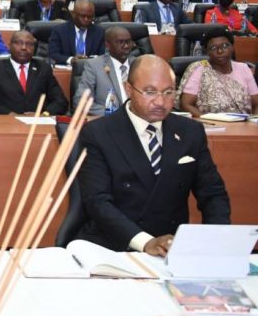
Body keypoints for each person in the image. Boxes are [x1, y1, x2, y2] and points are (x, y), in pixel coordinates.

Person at [77, 55, 230, 254]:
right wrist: (145, 242)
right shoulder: (98, 133)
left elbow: (213, 193)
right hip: (115, 246)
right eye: (150, 92)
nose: (160, 102)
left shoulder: (190, 132)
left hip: (170, 247)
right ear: (128, 89)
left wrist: (216, 240)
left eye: (169, 92)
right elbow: (98, 202)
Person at [0, 30, 69, 115]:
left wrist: (43, 115)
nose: (24, 47)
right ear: (10, 46)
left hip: (38, 123)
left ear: (34, 48)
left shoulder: (43, 69)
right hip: (5, 122)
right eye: (19, 43)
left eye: (29, 44)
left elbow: (60, 101)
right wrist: (8, 114)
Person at [178, 28, 258, 116]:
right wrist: (207, 120)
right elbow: (185, 105)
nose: (220, 51)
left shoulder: (243, 68)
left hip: (244, 122)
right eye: (213, 48)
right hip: (208, 123)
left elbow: (256, 104)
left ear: (232, 48)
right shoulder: (199, 69)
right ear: (207, 51)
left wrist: (254, 121)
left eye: (225, 46)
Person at [74, 26, 135, 116]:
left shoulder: (139, 64)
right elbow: (81, 101)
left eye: (128, 42)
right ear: (107, 45)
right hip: (110, 119)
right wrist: (115, 114)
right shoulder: (94, 65)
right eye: (120, 42)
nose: (126, 46)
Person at [48, 0, 105, 65]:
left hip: (90, 69)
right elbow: (53, 54)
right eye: (82, 16)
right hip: (67, 68)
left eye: (90, 16)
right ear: (73, 14)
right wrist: (71, 60)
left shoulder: (99, 32)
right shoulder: (59, 30)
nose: (86, 19)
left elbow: (103, 56)